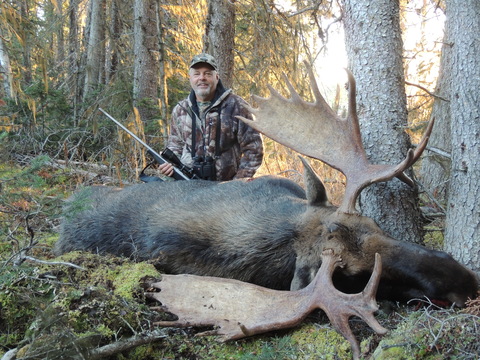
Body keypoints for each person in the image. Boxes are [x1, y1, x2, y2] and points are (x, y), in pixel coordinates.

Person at [158, 53, 263, 181]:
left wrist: (238, 183)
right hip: (188, 186)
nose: (202, 78)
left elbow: (254, 149)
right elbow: (175, 147)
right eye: (197, 74)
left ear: (217, 77)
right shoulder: (180, 110)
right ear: (190, 78)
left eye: (208, 74)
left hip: (227, 188)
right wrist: (170, 167)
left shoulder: (237, 106)